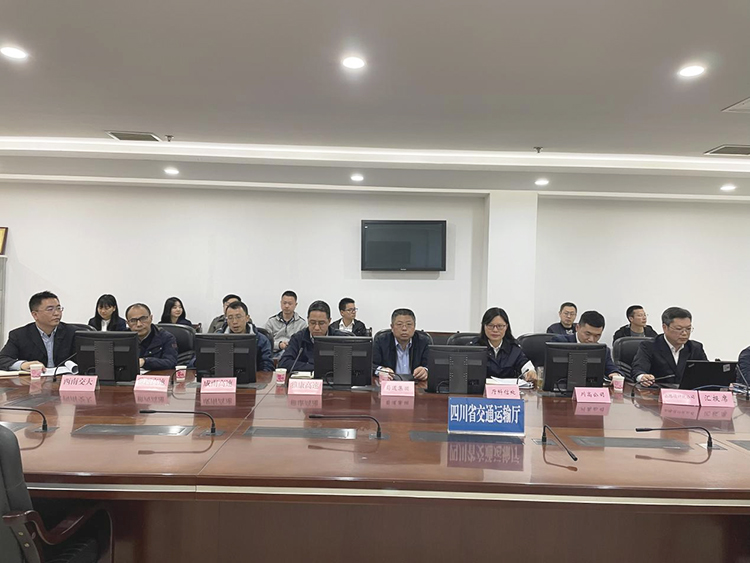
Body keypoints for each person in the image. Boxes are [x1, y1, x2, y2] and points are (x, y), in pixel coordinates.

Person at [0, 291, 76, 372]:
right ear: (35, 315)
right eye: (50, 309)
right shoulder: (19, 335)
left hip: (63, 378)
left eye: (58, 308)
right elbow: (2, 359)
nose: (57, 313)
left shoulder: (73, 333)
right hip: (34, 379)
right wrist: (23, 365)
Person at [632, 307, 707, 387]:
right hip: (657, 392)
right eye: (679, 329)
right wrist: (642, 377)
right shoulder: (649, 346)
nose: (685, 333)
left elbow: (707, 372)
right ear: (665, 327)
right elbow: (638, 369)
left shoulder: (695, 348)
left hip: (687, 393)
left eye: (688, 329)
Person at [278, 300, 348, 372]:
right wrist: (315, 368)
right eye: (313, 323)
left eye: (321, 323)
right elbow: (284, 363)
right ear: (308, 320)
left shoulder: (340, 339)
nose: (316, 328)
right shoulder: (298, 338)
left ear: (329, 321)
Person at [469, 307, 536, 381]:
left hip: (507, 387)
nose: (495, 330)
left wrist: (530, 372)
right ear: (484, 326)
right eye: (490, 326)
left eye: (500, 326)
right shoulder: (474, 347)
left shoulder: (513, 347)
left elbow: (524, 364)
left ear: (506, 327)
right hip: (481, 387)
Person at [552, 310, 620, 379]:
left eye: (597, 335)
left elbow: (612, 369)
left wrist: (615, 374)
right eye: (587, 334)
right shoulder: (560, 342)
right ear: (577, 327)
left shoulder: (603, 350)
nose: (591, 339)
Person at [373, 308, 430, 381]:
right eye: (399, 324)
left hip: (416, 384)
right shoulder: (381, 341)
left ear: (414, 327)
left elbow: (431, 365)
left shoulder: (424, 342)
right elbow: (371, 365)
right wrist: (381, 370)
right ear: (392, 327)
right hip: (389, 384)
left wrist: (425, 370)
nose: (404, 328)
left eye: (409, 324)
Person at [214, 301, 273, 372]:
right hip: (224, 376)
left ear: (247, 318)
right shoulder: (218, 337)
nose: (234, 322)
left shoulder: (261, 339)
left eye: (238, 317)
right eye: (230, 318)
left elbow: (267, 366)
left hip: (253, 377)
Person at [125, 303, 179, 370]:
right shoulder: (123, 339)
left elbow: (171, 362)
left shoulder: (166, 337)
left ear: (151, 318)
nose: (139, 324)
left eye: (143, 319)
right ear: (127, 323)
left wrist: (145, 362)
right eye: (133, 321)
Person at [265, 290, 307, 356]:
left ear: (295, 305)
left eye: (290, 304)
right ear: (280, 303)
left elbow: (303, 344)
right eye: (284, 303)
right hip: (274, 353)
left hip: (293, 354)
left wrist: (290, 345)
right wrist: (279, 345)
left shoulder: (302, 323)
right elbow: (265, 341)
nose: (286, 306)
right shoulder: (271, 321)